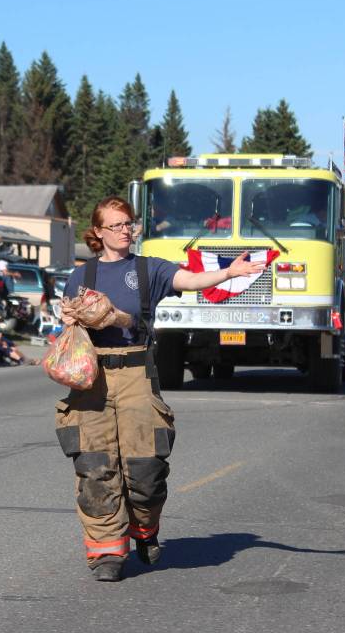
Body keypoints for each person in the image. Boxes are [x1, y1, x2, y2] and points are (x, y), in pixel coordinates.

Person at [55, 195, 267, 583]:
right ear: (98, 232)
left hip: (137, 374)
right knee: (95, 467)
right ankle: (106, 552)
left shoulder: (148, 269)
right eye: (115, 225)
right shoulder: (80, 276)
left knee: (146, 469)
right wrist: (69, 316)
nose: (124, 231)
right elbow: (66, 321)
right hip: (92, 380)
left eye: (128, 224)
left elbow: (190, 279)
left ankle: (144, 529)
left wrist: (227, 272)